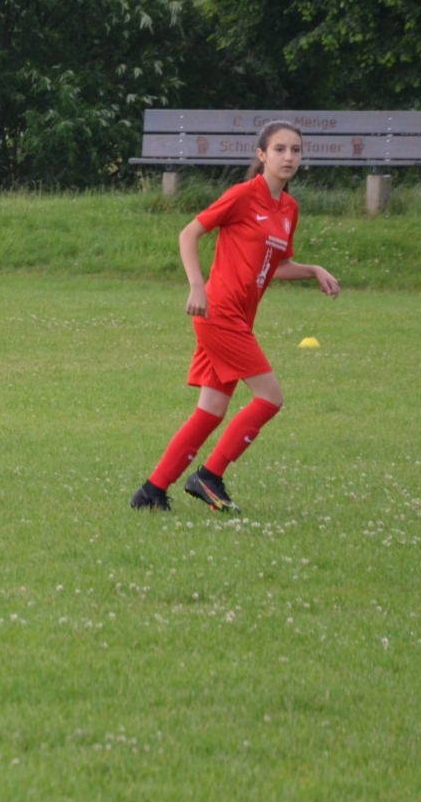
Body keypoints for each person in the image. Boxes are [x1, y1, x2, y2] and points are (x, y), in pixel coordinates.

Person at [132, 120, 340, 513]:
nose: (289, 157)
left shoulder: (289, 208)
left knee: (210, 411)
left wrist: (314, 270)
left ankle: (151, 492)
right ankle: (209, 477)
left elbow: (277, 266)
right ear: (262, 155)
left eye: (295, 150)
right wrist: (197, 285)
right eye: (279, 149)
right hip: (219, 312)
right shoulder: (243, 196)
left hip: (239, 318)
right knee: (271, 398)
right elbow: (188, 234)